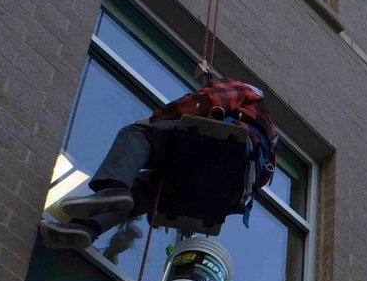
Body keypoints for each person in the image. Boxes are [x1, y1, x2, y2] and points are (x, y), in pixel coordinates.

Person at [40, 64, 277, 252]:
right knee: (146, 189)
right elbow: (262, 179)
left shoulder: (247, 91)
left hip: (221, 146)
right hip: (228, 189)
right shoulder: (270, 139)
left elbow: (211, 100)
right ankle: (86, 229)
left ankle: (112, 188)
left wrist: (155, 120)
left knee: (136, 135)